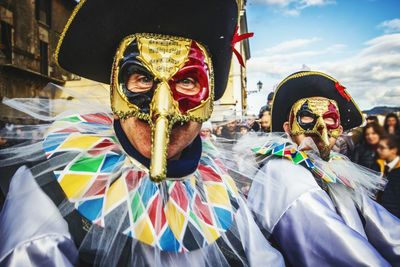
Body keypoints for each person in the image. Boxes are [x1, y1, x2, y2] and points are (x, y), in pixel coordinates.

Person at [0, 1, 284, 266]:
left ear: (208, 101)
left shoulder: (219, 188)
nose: (163, 106)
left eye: (186, 80)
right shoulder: (50, 187)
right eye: (143, 78)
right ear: (115, 89)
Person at [244, 71, 400, 266]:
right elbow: (339, 250)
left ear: (340, 130)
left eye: (329, 119)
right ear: (287, 128)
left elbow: (383, 227)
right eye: (307, 117)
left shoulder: (335, 169)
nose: (320, 129)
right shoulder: (283, 172)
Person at [375, 135, 400, 218]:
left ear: (394, 150)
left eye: (382, 148)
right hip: (379, 212)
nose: (378, 150)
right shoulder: (377, 164)